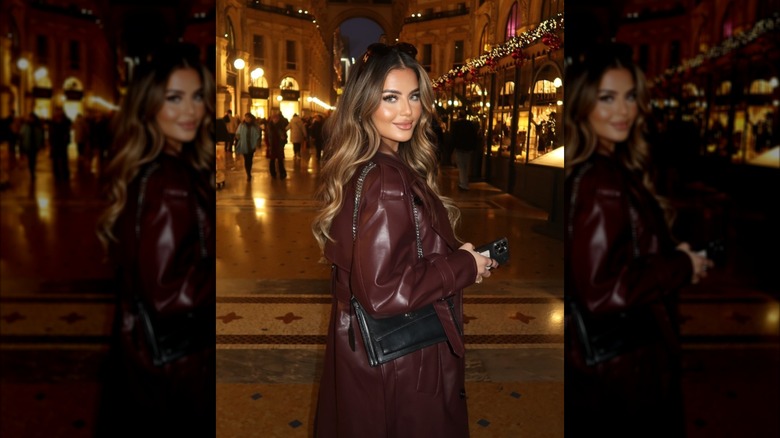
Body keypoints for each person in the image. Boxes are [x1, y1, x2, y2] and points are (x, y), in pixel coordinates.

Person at [311, 42, 497, 438]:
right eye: (390, 98)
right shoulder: (387, 179)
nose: (407, 111)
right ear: (365, 104)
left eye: (413, 96)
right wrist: (464, 267)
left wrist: (450, 255)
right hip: (403, 360)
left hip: (365, 350)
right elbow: (382, 291)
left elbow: (386, 261)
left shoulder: (364, 166)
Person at [563, 43, 712, 437]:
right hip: (623, 369)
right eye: (607, 98)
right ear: (583, 103)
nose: (623, 111)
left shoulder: (604, 169)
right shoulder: (601, 181)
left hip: (616, 364)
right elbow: (600, 290)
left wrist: (669, 255)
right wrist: (681, 266)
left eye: (629, 97)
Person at [94, 43, 216, 437]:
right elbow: (169, 293)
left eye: (197, 96)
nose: (191, 111)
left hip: (142, 355)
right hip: (176, 364)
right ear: (149, 105)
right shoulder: (169, 182)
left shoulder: (147, 170)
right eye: (174, 98)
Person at [450, 110, 480, 191]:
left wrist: (451, 149)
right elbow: (474, 136)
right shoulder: (470, 124)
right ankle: (464, 182)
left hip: (459, 148)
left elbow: (453, 137)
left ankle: (463, 184)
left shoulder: (456, 125)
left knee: (461, 166)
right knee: (466, 166)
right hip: (468, 149)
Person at [235, 112, 261, 180]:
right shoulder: (241, 125)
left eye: (248, 117)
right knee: (246, 160)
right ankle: (248, 173)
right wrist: (237, 137)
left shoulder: (254, 126)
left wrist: (257, 143)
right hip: (244, 145)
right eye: (245, 117)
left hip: (251, 145)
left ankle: (249, 171)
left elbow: (258, 134)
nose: (246, 119)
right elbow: (238, 133)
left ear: (251, 118)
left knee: (250, 159)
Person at [19, 112, 45, 181]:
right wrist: (21, 147)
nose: (30, 119)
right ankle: (32, 172)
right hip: (28, 145)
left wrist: (41, 144)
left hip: (35, 146)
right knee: (30, 160)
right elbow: (21, 136)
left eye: (31, 118)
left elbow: (41, 135)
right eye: (29, 117)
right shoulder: (25, 126)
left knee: (33, 160)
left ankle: (32, 172)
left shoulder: (37, 126)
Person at [265, 111, 287, 179]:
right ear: (272, 119)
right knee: (272, 160)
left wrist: (284, 140)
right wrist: (268, 145)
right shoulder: (269, 127)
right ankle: (273, 173)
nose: (275, 120)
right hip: (272, 145)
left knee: (280, 160)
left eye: (277, 118)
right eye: (274, 118)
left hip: (279, 145)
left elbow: (284, 136)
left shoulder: (281, 126)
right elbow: (267, 136)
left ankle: (282, 173)